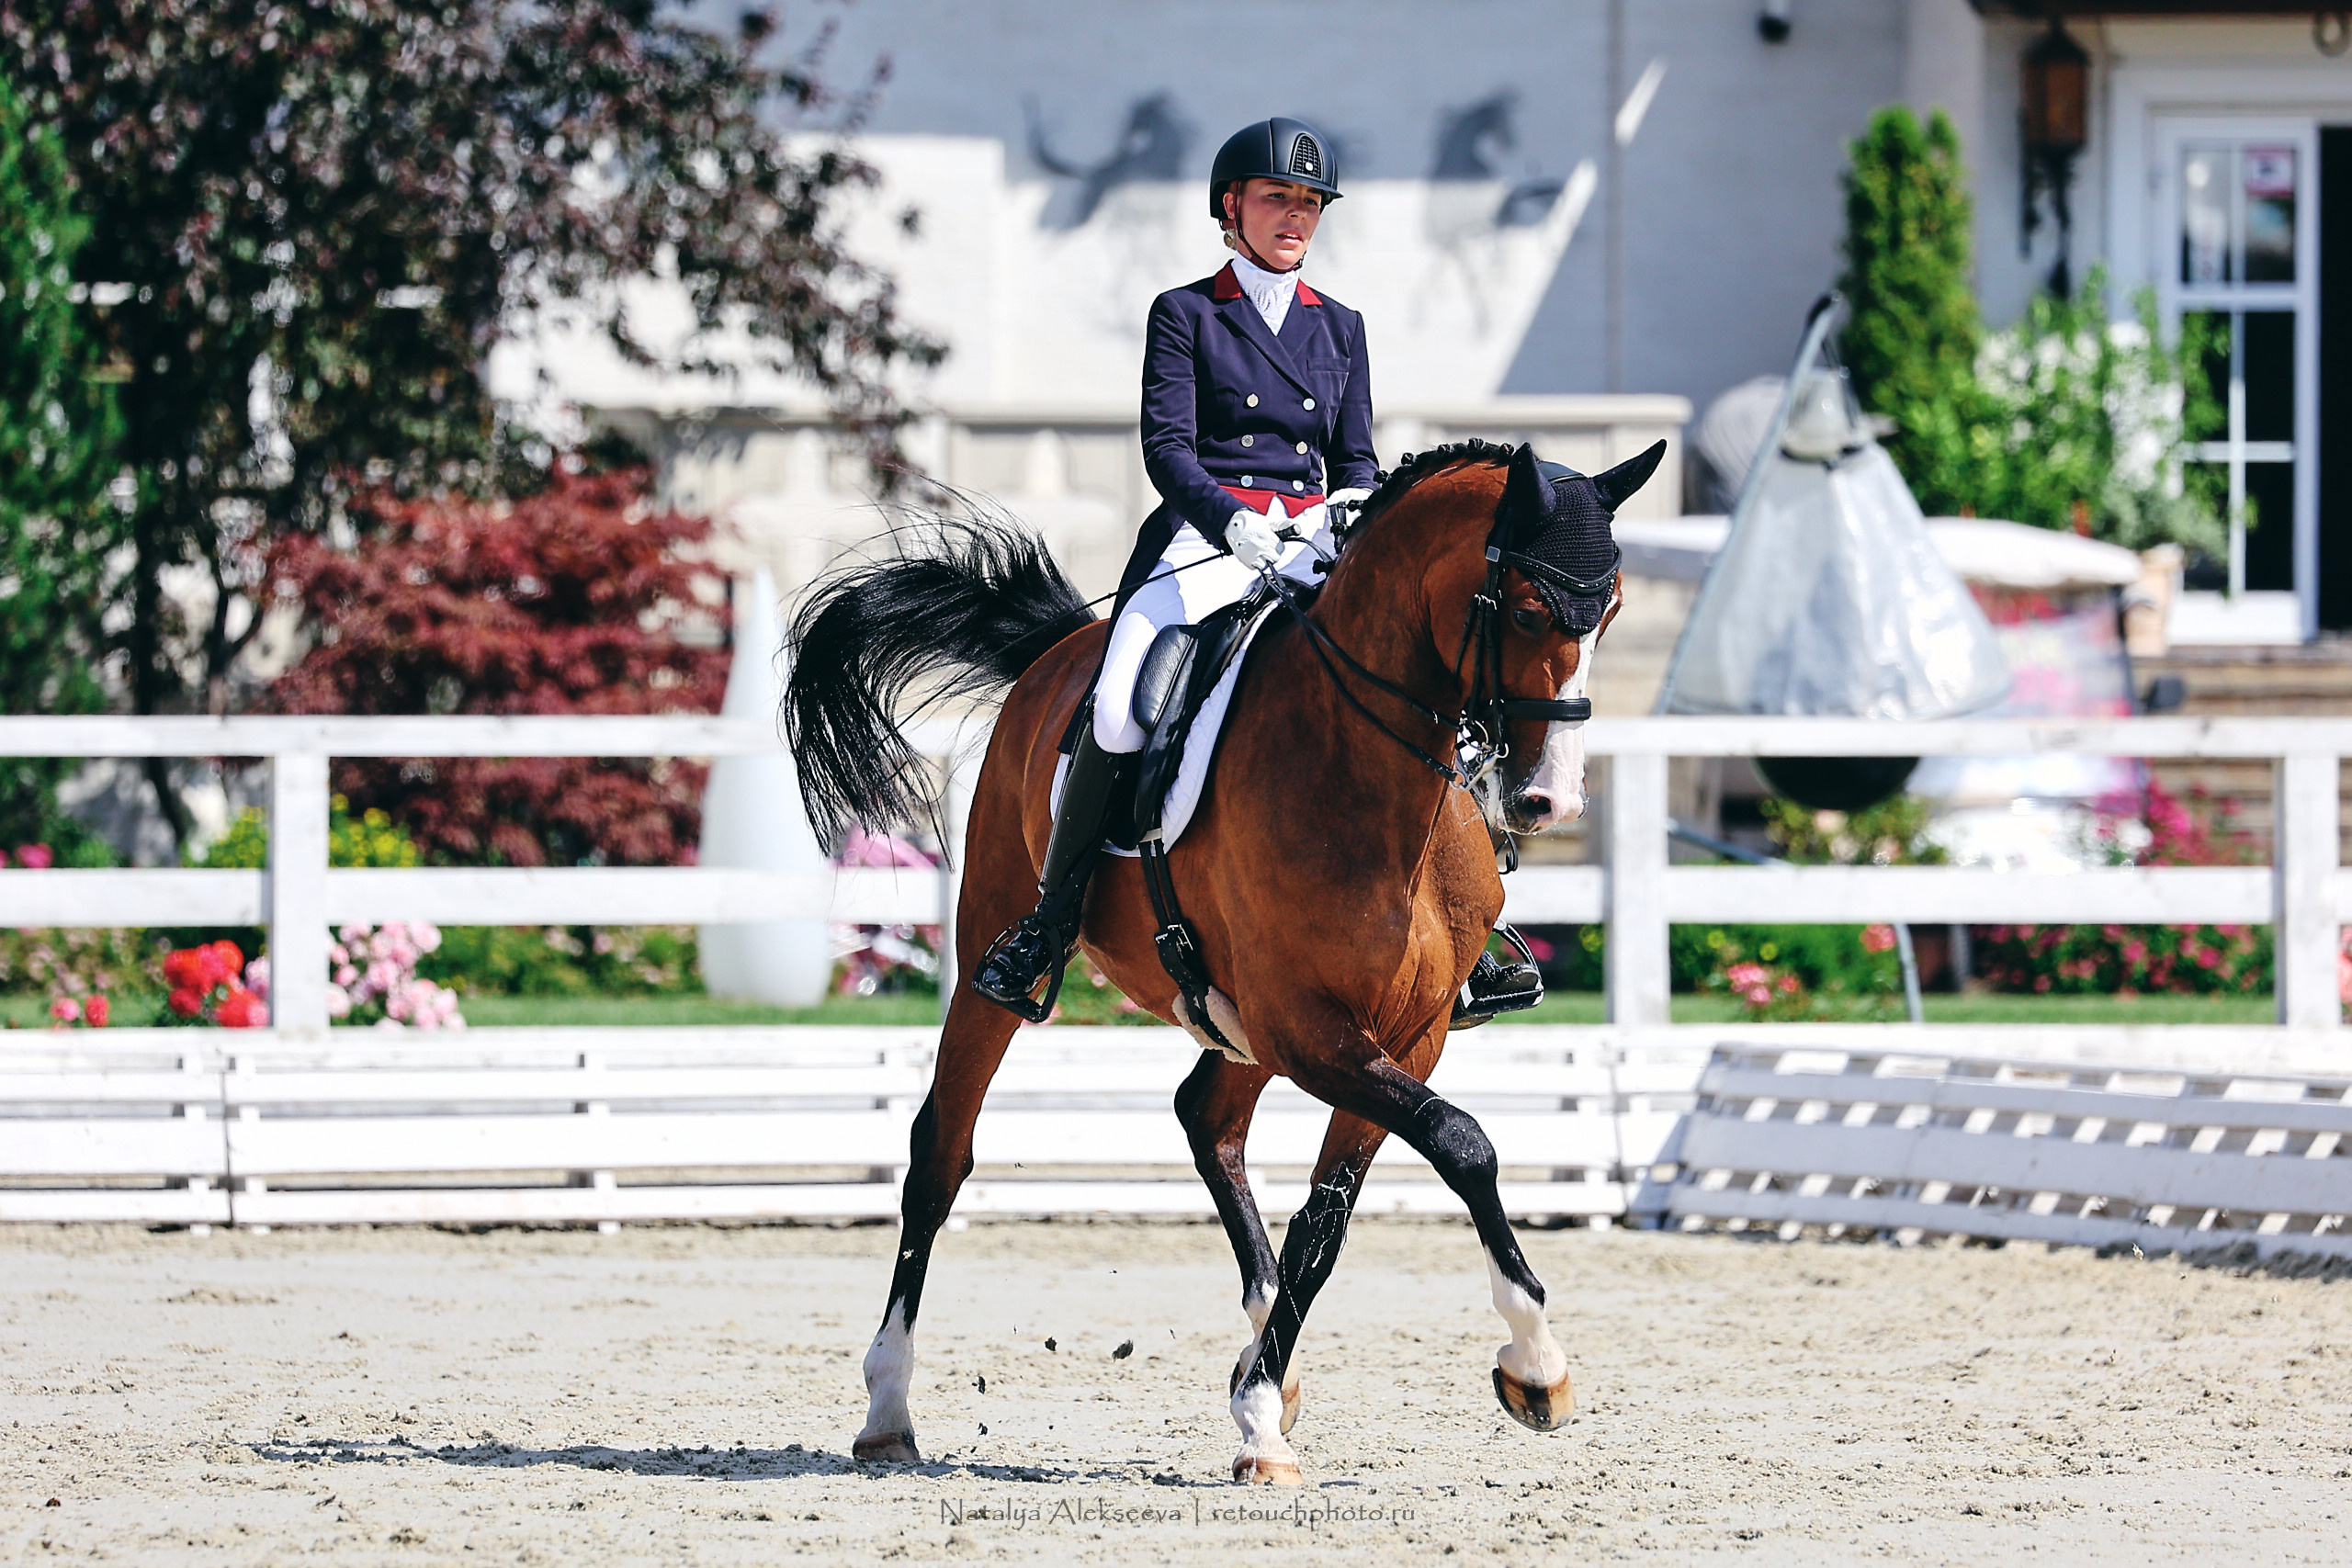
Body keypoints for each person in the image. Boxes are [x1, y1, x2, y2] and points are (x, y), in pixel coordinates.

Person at [971, 116, 1543, 1026]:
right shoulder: (1188, 313)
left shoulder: (1341, 328)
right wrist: (1234, 526)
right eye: (1279, 198)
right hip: (1207, 540)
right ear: (1231, 207)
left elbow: (1356, 458)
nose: (1296, 217)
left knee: (1426, 690)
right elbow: (1166, 447)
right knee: (1121, 702)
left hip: (1315, 540)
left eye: (1310, 203)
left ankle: (1470, 933)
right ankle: (1050, 922)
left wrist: (1345, 521)